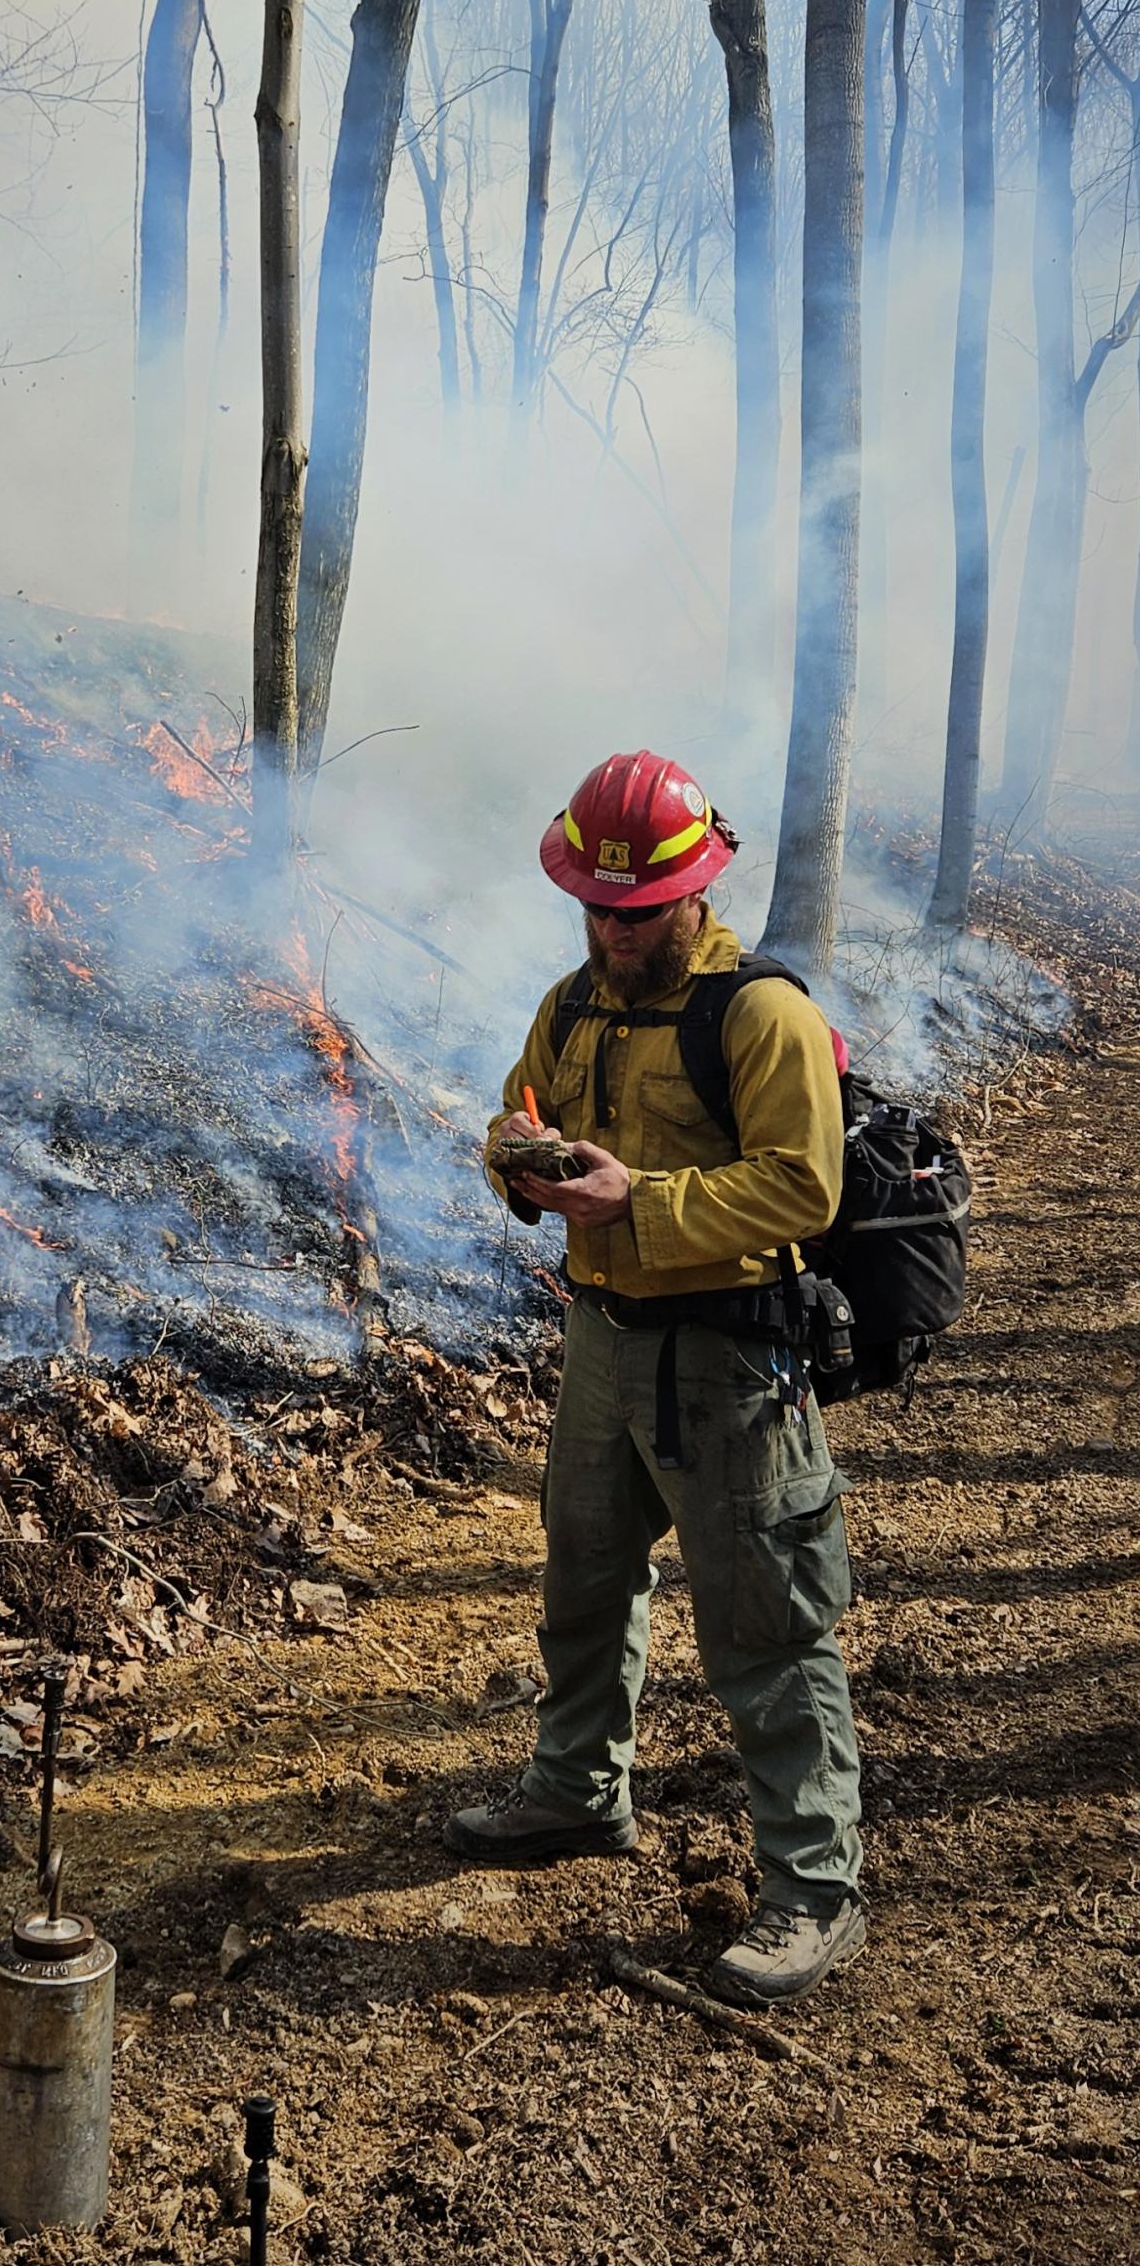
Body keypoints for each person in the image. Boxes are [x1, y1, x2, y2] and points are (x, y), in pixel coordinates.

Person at [444, 750, 866, 2007]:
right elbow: (512, 1116)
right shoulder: (570, 1002)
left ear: (695, 892)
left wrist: (646, 1197)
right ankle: (576, 1790)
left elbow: (805, 1185)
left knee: (765, 1622)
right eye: (593, 908)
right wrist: (515, 1162)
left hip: (729, 1355)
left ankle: (812, 1887)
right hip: (601, 1338)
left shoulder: (761, 1014)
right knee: (582, 1570)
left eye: (634, 913)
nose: (611, 932)